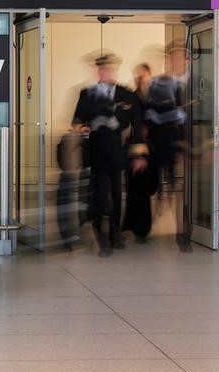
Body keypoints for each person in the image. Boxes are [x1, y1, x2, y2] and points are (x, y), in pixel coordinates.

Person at [72, 52, 148, 257]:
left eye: (109, 68)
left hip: (118, 153)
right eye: (102, 68)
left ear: (114, 70)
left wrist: (139, 155)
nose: (105, 72)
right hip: (96, 153)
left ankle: (115, 233)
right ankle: (101, 237)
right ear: (98, 70)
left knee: (116, 195)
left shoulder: (127, 95)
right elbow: (77, 121)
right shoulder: (87, 94)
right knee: (98, 196)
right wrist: (83, 128)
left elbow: (138, 126)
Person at [148, 40, 191, 252]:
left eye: (177, 57)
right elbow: (150, 113)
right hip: (162, 144)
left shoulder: (198, 83)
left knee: (181, 191)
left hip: (186, 147)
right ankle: (158, 216)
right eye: (170, 57)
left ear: (187, 60)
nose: (173, 61)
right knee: (162, 187)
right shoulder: (158, 85)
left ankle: (183, 232)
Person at [122, 64, 158, 244]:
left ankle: (138, 226)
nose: (144, 80)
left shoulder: (152, 98)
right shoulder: (132, 98)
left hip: (150, 149)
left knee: (145, 187)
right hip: (137, 149)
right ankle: (139, 227)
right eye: (141, 77)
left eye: (146, 77)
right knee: (137, 188)